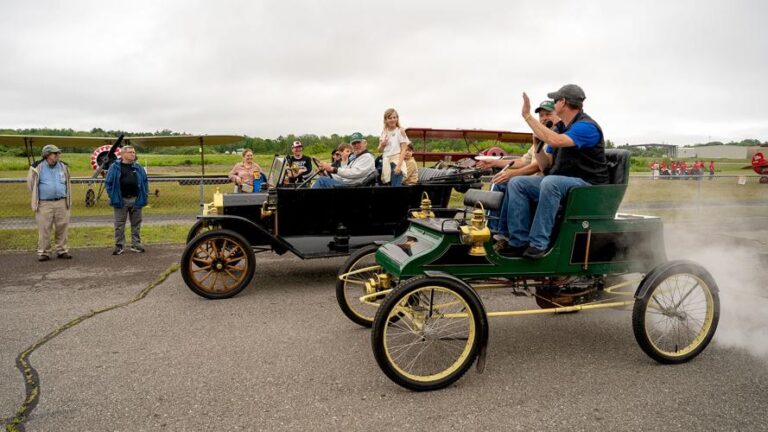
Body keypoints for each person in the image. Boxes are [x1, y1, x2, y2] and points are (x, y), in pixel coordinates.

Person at [503, 84, 608, 259]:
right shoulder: (561, 128)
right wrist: (537, 144)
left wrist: (528, 116)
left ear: (563, 102)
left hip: (588, 186)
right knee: (517, 183)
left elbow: (556, 141)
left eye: (555, 100)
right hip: (564, 183)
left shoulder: (586, 127)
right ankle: (518, 242)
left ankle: (538, 244)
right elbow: (546, 165)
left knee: (551, 182)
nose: (553, 103)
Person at [476, 100, 562, 244]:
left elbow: (538, 166)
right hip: (531, 180)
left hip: (543, 182)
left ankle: (515, 238)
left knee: (514, 182)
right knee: (499, 183)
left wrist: (512, 174)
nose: (543, 118)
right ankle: (494, 231)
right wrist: (494, 162)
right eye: (541, 115)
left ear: (558, 115)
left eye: (548, 114)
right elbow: (523, 161)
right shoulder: (539, 137)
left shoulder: (556, 138)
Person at [27, 144, 72, 261]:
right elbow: (31, 185)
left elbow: (67, 182)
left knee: (62, 227)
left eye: (58, 153)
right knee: (44, 229)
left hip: (62, 202)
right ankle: (44, 252)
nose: (58, 155)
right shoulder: (37, 167)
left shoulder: (63, 166)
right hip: (44, 203)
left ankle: (62, 250)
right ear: (47, 155)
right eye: (55, 153)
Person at [105, 145, 149, 255]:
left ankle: (136, 244)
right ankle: (119, 246)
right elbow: (108, 183)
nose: (133, 154)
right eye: (130, 152)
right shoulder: (114, 167)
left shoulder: (138, 167)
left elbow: (144, 181)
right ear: (123, 154)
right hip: (121, 201)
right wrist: (112, 196)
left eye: (134, 152)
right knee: (119, 225)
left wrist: (144, 194)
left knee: (136, 224)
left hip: (136, 200)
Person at [378, 108, 411, 186]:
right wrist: (382, 145)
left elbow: (404, 149)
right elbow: (379, 150)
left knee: (395, 188)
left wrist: (399, 166)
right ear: (386, 120)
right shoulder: (384, 132)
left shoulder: (400, 131)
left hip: (396, 161)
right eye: (390, 118)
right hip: (386, 162)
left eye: (394, 117)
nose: (393, 120)